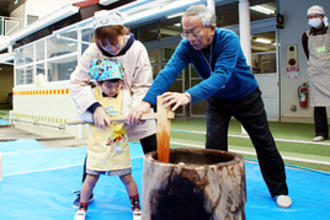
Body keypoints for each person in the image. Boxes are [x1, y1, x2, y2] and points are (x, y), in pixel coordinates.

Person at [129, 4, 292, 208]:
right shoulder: (187, 46)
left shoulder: (228, 40)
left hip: (246, 97)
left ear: (211, 29)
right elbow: (168, 72)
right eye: (185, 33)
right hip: (218, 101)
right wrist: (146, 102)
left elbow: (221, 76)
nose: (190, 38)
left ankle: (279, 190)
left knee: (264, 142)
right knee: (214, 146)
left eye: (195, 32)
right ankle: (216, 190)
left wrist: (188, 95)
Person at [69, 10, 156, 208]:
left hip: (134, 108)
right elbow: (77, 82)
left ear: (123, 33)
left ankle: (162, 188)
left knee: (152, 148)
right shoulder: (92, 51)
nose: (110, 48)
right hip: (106, 111)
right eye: (104, 44)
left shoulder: (137, 49)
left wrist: (136, 108)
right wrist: (95, 107)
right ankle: (86, 193)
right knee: (97, 148)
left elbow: (143, 85)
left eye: (114, 42)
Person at [74, 58, 142, 220]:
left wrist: (132, 117)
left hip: (118, 146)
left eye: (117, 85)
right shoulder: (92, 96)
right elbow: (82, 113)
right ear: (98, 84)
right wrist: (93, 115)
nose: (113, 90)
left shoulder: (124, 96)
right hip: (97, 146)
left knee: (127, 177)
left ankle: (137, 208)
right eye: (109, 86)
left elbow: (129, 113)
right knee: (90, 178)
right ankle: (82, 208)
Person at [301, 5, 329, 142]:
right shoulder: (306, 35)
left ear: (323, 17)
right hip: (316, 72)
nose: (313, 19)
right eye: (310, 17)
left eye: (316, 16)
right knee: (318, 103)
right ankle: (321, 132)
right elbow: (308, 54)